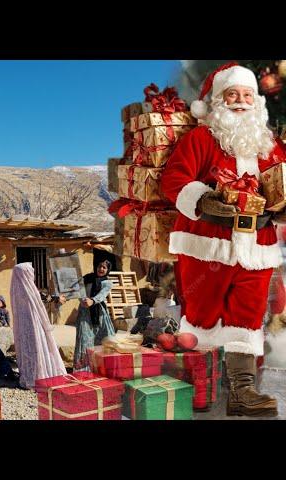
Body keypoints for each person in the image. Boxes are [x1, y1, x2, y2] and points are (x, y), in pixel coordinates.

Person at [161, 63, 286, 416]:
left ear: (257, 102)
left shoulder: (271, 146)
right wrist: (202, 200)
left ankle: (242, 392)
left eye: (248, 95)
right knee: (201, 318)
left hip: (256, 250)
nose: (241, 102)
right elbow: (173, 180)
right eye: (233, 95)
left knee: (247, 320)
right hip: (207, 248)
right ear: (217, 101)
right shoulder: (201, 140)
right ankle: (196, 389)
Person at [9, 263, 66, 389]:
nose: (32, 275)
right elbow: (41, 297)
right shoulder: (27, 288)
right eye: (30, 273)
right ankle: (39, 376)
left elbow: (40, 296)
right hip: (34, 325)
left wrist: (54, 298)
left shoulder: (17, 288)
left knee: (28, 349)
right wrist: (56, 298)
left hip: (24, 327)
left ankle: (30, 375)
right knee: (37, 348)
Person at [72, 260, 115, 372]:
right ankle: (83, 369)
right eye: (100, 266)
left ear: (107, 270)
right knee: (84, 339)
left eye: (104, 268)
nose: (101, 269)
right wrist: (82, 300)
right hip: (85, 312)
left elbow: (102, 294)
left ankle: (103, 366)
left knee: (104, 338)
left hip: (99, 313)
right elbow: (79, 290)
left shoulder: (107, 283)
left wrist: (93, 300)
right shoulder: (87, 278)